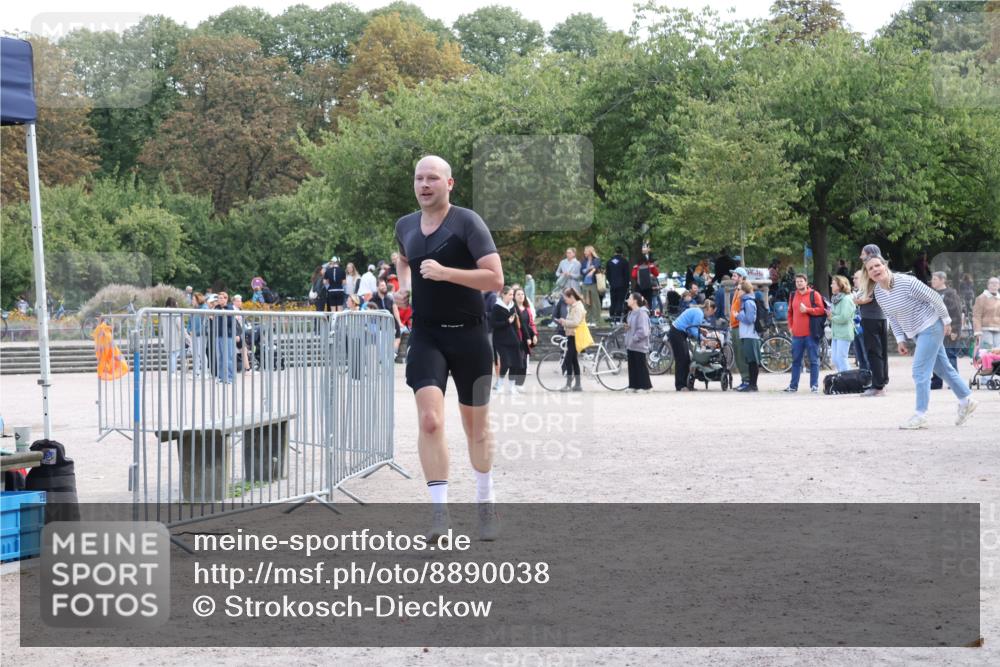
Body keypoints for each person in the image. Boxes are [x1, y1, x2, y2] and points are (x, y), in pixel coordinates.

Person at [395, 155, 503, 541]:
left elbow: (495, 279)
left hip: (470, 336)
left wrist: (445, 274)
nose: (424, 185)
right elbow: (403, 258)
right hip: (427, 335)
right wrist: (404, 286)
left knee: (477, 430)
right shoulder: (405, 225)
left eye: (433, 178)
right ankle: (439, 514)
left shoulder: (467, 222)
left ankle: (485, 500)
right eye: (419, 178)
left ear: (449, 184)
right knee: (430, 421)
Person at [863, 254, 977, 429]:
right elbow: (892, 317)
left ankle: (920, 415)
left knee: (919, 371)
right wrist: (900, 339)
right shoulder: (878, 292)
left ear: (885, 265)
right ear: (868, 274)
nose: (875, 269)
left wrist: (947, 321)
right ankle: (966, 400)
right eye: (870, 268)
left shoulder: (906, 282)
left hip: (931, 325)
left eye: (877, 265)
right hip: (916, 332)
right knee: (943, 369)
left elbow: (934, 297)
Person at [855, 244, 890, 396]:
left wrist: (857, 300)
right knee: (881, 352)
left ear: (870, 254)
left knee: (873, 352)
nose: (861, 257)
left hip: (871, 317)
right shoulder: (881, 270)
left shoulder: (872, 272)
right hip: (881, 317)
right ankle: (882, 381)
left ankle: (878, 386)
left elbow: (868, 297)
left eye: (863, 254)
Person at [784, 274, 826, 393]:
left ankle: (814, 386)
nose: (799, 283)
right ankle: (793, 386)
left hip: (811, 333)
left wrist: (807, 310)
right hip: (797, 334)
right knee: (796, 361)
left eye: (801, 281)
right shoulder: (793, 295)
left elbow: (821, 310)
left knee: (814, 360)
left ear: (806, 282)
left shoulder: (814, 294)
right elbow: (790, 313)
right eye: (797, 281)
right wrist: (790, 326)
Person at [668, 301, 716, 391]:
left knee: (686, 359)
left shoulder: (697, 311)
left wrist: (701, 330)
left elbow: (691, 326)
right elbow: (693, 329)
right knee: (682, 359)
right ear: (709, 309)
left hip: (677, 332)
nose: (712, 314)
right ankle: (680, 385)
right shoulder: (699, 313)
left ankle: (686, 384)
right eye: (713, 311)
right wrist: (703, 339)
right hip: (677, 333)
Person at [930, 271, 963, 389]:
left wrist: (955, 330)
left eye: (935, 279)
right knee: (935, 356)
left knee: (950, 356)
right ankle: (936, 382)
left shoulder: (951, 294)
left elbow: (957, 313)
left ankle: (954, 382)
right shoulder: (931, 293)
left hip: (949, 330)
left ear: (942, 280)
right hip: (934, 330)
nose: (932, 281)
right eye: (932, 279)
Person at [490, 286, 526, 394]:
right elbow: (493, 324)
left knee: (516, 362)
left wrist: (527, 337)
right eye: (510, 294)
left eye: (512, 294)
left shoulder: (513, 306)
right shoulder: (497, 307)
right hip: (501, 340)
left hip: (514, 339)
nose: (512, 296)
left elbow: (521, 322)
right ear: (503, 294)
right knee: (506, 362)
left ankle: (511, 386)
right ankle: (500, 384)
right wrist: (507, 322)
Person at [555, 287, 586, 392]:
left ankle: (569, 385)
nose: (565, 301)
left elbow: (576, 323)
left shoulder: (578, 307)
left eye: (566, 299)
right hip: (572, 335)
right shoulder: (574, 306)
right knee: (573, 360)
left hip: (575, 336)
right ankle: (578, 385)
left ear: (572, 297)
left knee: (568, 360)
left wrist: (564, 322)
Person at [733, 282, 761, 392]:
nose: (737, 291)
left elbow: (750, 319)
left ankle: (753, 385)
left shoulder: (748, 302)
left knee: (752, 360)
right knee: (750, 360)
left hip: (750, 334)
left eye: (739, 289)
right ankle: (751, 384)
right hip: (747, 334)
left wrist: (738, 316)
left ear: (745, 290)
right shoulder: (745, 301)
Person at [726, 267, 752, 390]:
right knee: (737, 354)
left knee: (741, 354)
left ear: (741, 277)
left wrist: (737, 318)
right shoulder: (737, 289)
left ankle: (747, 380)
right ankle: (744, 380)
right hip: (735, 325)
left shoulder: (744, 290)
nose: (732, 278)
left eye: (735, 276)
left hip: (740, 326)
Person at [624, 292, 652, 392]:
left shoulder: (642, 313)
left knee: (641, 366)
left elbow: (644, 330)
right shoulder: (631, 313)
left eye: (629, 298)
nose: (627, 300)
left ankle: (646, 386)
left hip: (639, 344)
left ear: (635, 301)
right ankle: (633, 385)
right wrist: (628, 328)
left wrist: (634, 338)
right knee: (632, 366)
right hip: (631, 344)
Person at [370, 279, 404, 357]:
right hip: (379, 326)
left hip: (391, 323)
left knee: (397, 338)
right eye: (382, 285)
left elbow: (395, 310)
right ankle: (385, 356)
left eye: (385, 285)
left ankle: (391, 355)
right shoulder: (373, 299)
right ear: (377, 287)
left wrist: (399, 322)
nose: (384, 287)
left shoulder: (390, 298)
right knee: (382, 343)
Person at [829, 275, 857, 373]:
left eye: (833, 283)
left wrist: (831, 317)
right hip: (836, 333)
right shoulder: (835, 299)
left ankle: (848, 379)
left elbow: (844, 317)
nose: (831, 285)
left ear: (840, 285)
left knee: (841, 359)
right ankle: (842, 378)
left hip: (844, 333)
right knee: (835, 359)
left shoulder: (846, 299)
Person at [212, 291, 238, 384]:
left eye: (221, 298)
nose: (219, 300)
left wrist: (224, 315)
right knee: (220, 357)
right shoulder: (216, 308)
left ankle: (230, 377)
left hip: (228, 336)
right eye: (218, 298)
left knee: (228, 357)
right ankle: (221, 377)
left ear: (226, 299)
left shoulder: (230, 308)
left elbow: (231, 322)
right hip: (218, 335)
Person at [163, 297, 190, 375]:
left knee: (171, 355)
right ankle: (173, 372)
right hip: (175, 337)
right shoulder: (175, 313)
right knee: (174, 354)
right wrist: (187, 337)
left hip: (167, 337)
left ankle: (172, 372)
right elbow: (180, 326)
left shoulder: (163, 312)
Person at [513, 287, 537, 375]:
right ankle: (514, 381)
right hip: (515, 338)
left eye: (522, 294)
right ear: (514, 297)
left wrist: (534, 335)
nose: (521, 296)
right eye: (518, 294)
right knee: (517, 361)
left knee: (524, 362)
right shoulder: (512, 309)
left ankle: (520, 381)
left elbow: (531, 324)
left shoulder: (527, 309)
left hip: (526, 338)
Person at [972, 276, 1000, 350]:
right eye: (992, 283)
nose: (994, 285)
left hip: (998, 329)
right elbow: (976, 316)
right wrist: (977, 331)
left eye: (996, 283)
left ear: (999, 286)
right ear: (988, 285)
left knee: (998, 351)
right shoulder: (981, 298)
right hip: (985, 329)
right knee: (988, 351)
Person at [605, 247, 631, 324]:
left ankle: (612, 317)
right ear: (622, 253)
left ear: (614, 252)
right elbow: (627, 275)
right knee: (620, 301)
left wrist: (611, 282)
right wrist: (627, 285)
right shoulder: (624, 261)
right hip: (622, 285)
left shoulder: (609, 262)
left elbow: (607, 275)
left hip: (613, 285)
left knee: (613, 301)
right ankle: (618, 318)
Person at [850, 271, 870, 372]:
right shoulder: (856, 293)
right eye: (853, 278)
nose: (853, 280)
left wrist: (858, 301)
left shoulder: (869, 291)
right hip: (856, 328)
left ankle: (870, 377)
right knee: (860, 356)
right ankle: (863, 377)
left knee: (867, 356)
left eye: (856, 278)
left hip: (866, 328)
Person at [580, 246, 603, 326]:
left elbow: (596, 265)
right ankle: (587, 320)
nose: (584, 252)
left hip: (593, 284)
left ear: (590, 252)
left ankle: (596, 320)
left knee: (595, 302)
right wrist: (590, 268)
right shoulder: (584, 261)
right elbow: (581, 271)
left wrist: (592, 269)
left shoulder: (596, 260)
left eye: (585, 251)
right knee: (586, 303)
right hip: (585, 284)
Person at [187, 293, 209, 378]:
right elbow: (189, 322)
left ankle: (205, 373)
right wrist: (189, 330)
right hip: (193, 335)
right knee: (195, 354)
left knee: (201, 353)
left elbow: (204, 324)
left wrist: (196, 332)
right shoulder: (193, 309)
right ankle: (196, 372)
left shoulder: (205, 308)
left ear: (198, 299)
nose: (192, 301)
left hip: (201, 335)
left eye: (193, 299)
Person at [632, 246, 659, 310]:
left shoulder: (636, 267)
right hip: (648, 287)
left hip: (639, 287)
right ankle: (648, 312)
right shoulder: (650, 266)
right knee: (648, 301)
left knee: (639, 301)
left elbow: (633, 276)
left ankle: (639, 312)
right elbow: (656, 274)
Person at [231, 294, 252, 374]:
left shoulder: (239, 310)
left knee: (244, 350)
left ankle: (247, 369)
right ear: (234, 301)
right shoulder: (232, 309)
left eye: (240, 301)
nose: (240, 303)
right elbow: (233, 323)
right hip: (235, 334)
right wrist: (236, 334)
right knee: (239, 351)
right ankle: (244, 369)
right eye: (238, 301)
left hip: (240, 333)